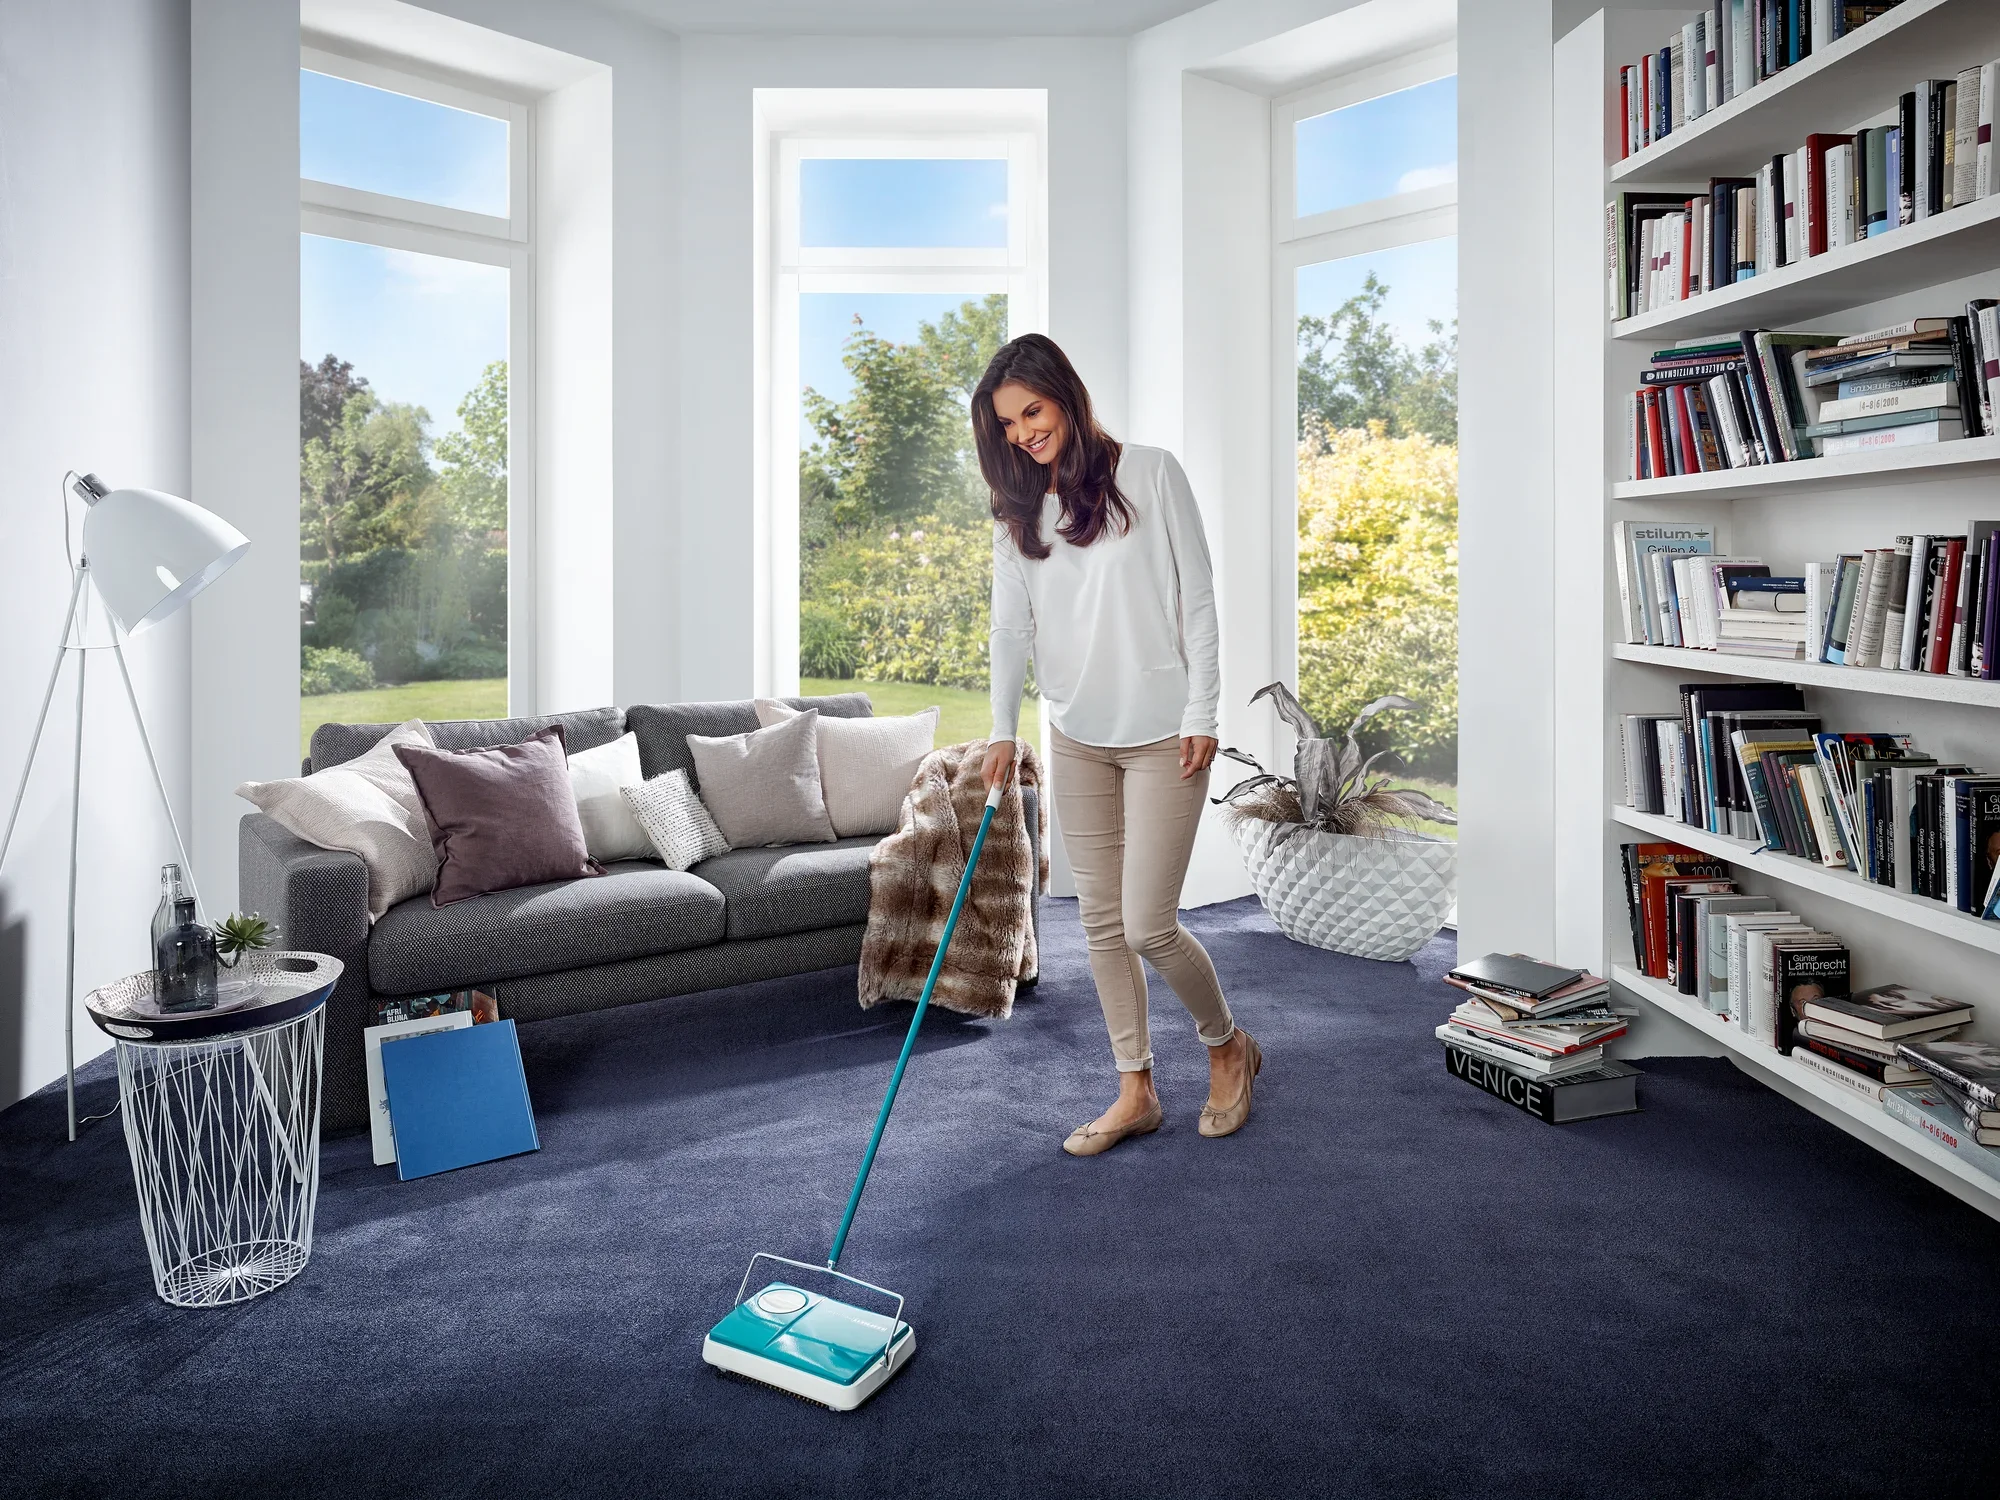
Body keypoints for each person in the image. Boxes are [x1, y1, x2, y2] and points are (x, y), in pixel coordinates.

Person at [973, 332, 1258, 1157]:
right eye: (1009, 423)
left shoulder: (1153, 472)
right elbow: (1009, 626)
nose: (1026, 431)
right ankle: (1135, 1088)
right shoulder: (1017, 511)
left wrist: (1204, 709)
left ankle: (1227, 1047)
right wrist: (1002, 727)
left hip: (1166, 729)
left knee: (1147, 924)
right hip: (1076, 729)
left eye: (1034, 411)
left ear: (1065, 395)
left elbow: (1198, 600)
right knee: (1099, 924)